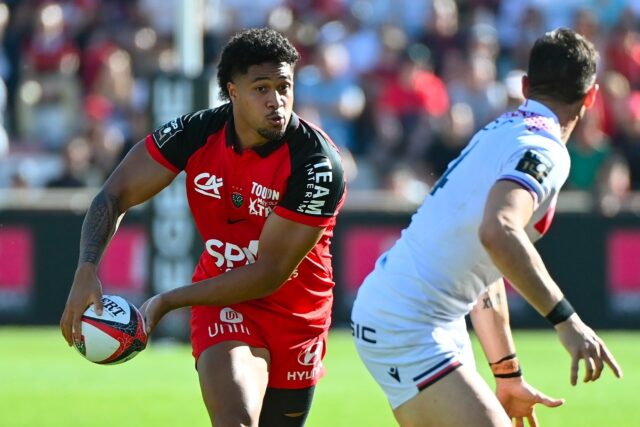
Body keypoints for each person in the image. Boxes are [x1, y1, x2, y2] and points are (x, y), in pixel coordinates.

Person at [60, 28, 346, 426]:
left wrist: (167, 300)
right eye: (261, 88)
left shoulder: (317, 165)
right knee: (235, 420)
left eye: (284, 86)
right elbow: (115, 193)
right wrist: (86, 268)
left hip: (297, 314)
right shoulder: (197, 132)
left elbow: (270, 272)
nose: (276, 101)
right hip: (223, 303)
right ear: (232, 90)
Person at [351, 28, 623, 427]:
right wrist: (568, 321)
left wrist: (507, 372)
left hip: (414, 314)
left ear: (527, 85)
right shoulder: (545, 150)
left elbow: (487, 260)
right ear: (592, 96)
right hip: (408, 323)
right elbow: (498, 231)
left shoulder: (499, 130)